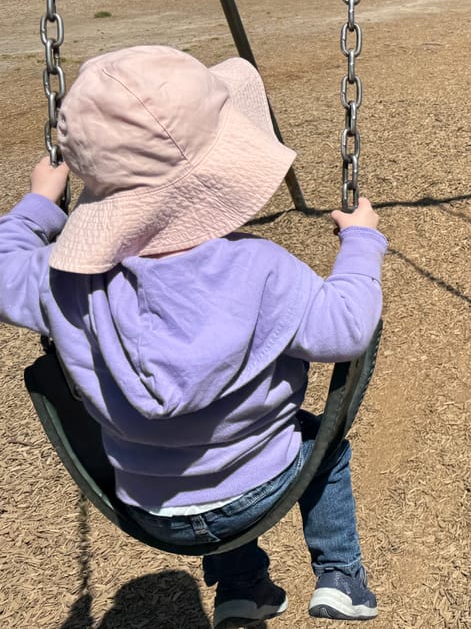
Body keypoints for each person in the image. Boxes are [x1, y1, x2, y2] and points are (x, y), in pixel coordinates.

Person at [0, 45, 386, 627]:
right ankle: (341, 577)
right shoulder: (260, 269)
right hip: (265, 483)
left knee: (199, 459)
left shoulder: (62, 282)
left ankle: (243, 587)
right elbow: (348, 328)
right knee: (321, 447)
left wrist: (38, 203)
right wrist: (361, 242)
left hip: (148, 504)